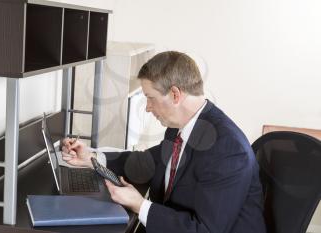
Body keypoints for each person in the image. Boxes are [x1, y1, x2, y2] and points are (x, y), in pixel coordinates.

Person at [62, 51, 266, 233]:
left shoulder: (228, 150)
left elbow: (205, 229)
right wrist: (93, 158)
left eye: (150, 98)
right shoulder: (180, 128)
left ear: (175, 95)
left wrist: (140, 205)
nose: (147, 108)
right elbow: (145, 163)